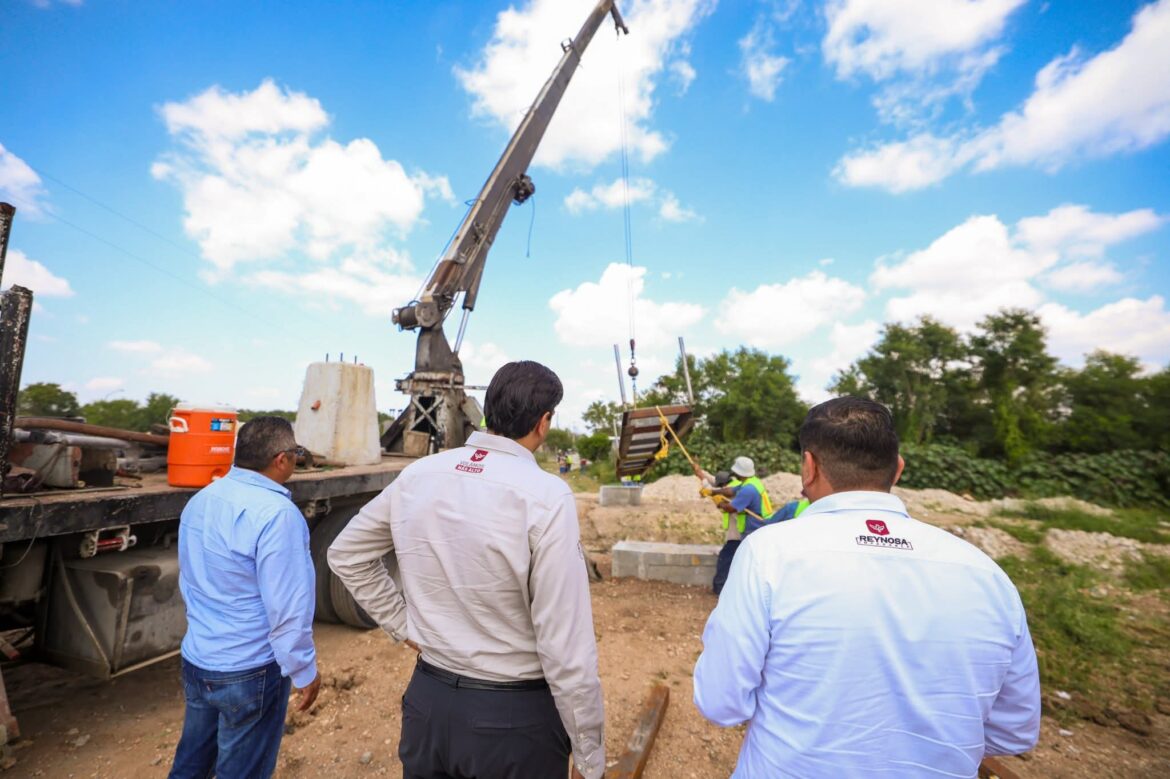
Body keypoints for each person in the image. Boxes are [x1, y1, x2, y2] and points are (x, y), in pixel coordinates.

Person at [693, 397, 1041, 778]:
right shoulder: (986, 574)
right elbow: (1014, 731)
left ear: (809, 467)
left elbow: (720, 703)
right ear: (898, 470)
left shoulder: (768, 554)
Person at [328, 360, 604, 779]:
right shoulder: (547, 497)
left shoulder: (419, 474)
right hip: (514, 721)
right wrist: (589, 755)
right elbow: (566, 647)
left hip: (428, 704)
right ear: (544, 422)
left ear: (490, 410)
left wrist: (403, 625)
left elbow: (347, 553)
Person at [170, 416, 320, 779]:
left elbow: (191, 579)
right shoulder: (277, 515)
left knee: (191, 764)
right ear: (282, 459)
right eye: (296, 453)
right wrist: (304, 670)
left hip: (198, 659)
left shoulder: (202, 499)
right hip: (249, 670)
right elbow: (287, 607)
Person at [694, 457, 773, 595]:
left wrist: (719, 502)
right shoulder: (750, 483)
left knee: (740, 559)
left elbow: (731, 508)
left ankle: (723, 589)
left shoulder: (748, 490)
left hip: (755, 528)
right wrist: (714, 492)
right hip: (755, 527)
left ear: (740, 473)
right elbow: (730, 491)